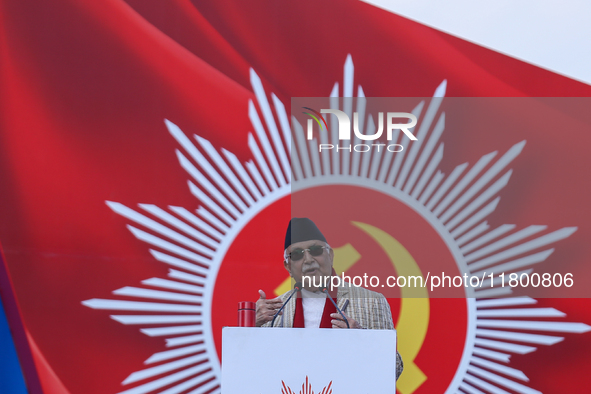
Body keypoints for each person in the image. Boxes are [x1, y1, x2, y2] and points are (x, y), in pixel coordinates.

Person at [256, 217, 403, 380]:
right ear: (288, 267)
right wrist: (251, 327)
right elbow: (254, 371)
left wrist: (363, 341)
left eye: (316, 250)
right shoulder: (274, 311)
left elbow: (393, 370)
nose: (308, 259)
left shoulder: (372, 301)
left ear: (331, 255)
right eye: (297, 254)